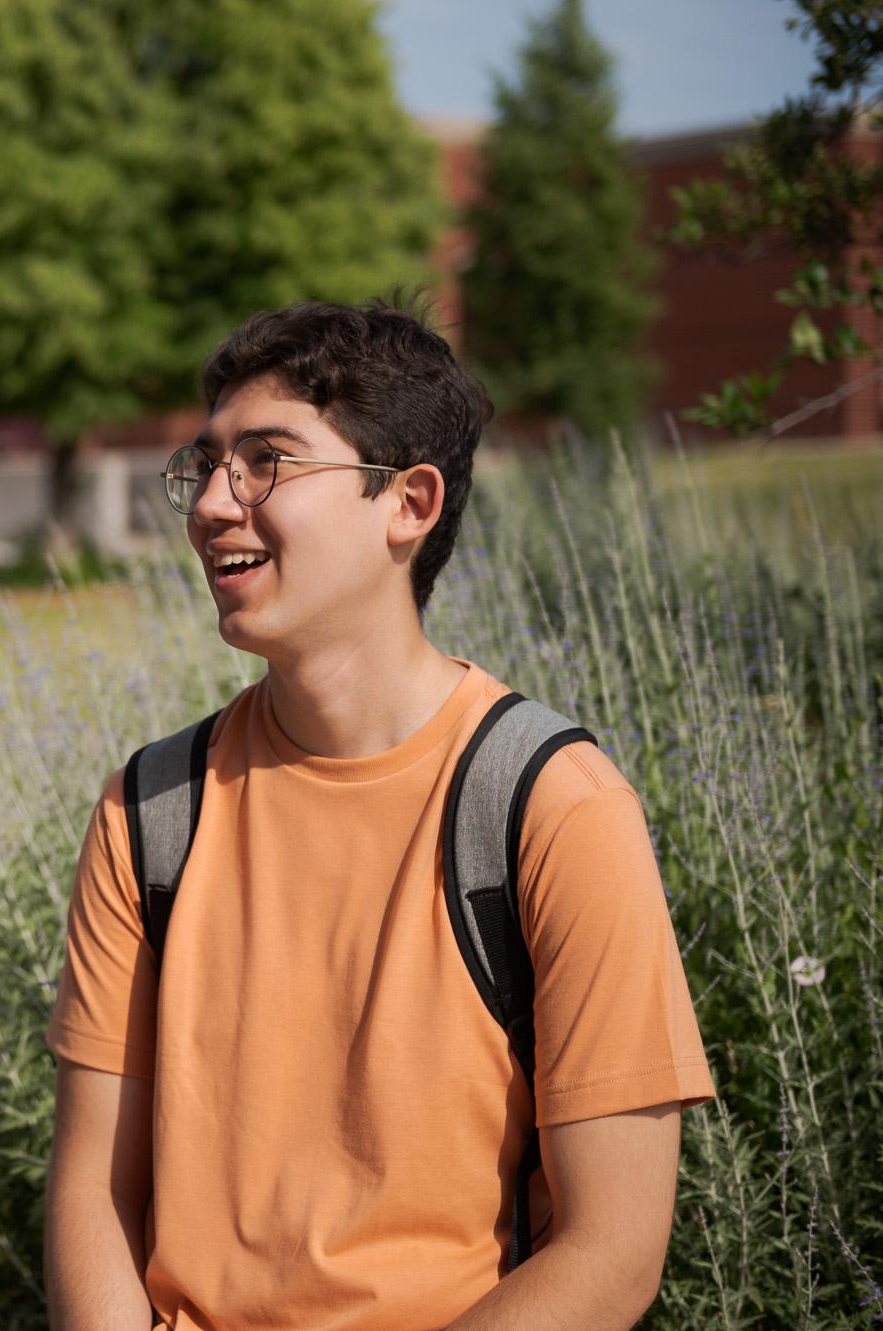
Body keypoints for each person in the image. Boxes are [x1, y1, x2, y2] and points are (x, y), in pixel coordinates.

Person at [43, 300, 713, 1331]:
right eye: (207, 462)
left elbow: (611, 1251)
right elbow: (94, 1186)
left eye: (266, 460)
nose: (214, 503)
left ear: (407, 502)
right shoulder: (150, 806)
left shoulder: (548, 805)